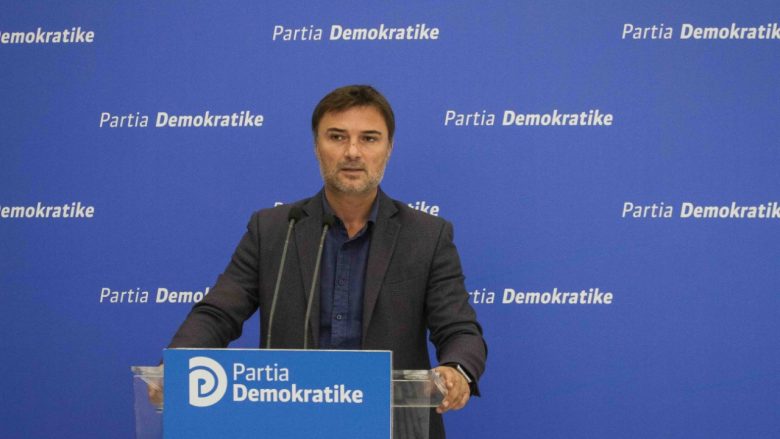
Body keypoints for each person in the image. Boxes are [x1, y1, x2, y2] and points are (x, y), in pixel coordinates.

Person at [167, 85, 487, 437]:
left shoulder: (427, 236)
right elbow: (218, 314)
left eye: (369, 139)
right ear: (316, 146)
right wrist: (178, 367)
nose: (352, 152)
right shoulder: (273, 229)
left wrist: (457, 370)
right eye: (337, 137)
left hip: (392, 425)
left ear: (389, 148)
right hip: (292, 425)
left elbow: (459, 330)